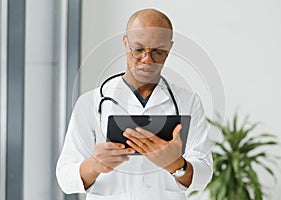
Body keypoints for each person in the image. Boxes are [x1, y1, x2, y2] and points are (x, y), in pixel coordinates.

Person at [56, 8, 213, 200]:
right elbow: (65, 177)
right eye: (138, 49)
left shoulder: (188, 101)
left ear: (169, 49)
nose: (147, 59)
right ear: (125, 43)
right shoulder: (90, 103)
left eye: (158, 52)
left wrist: (176, 164)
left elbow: (204, 173)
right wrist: (96, 164)